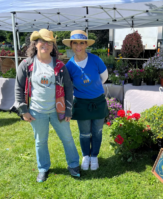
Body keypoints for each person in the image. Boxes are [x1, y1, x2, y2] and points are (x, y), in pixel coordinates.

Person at [15, 29, 80, 182]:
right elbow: (18, 87)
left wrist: (68, 110)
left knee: (68, 139)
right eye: (42, 42)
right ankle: (43, 168)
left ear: (53, 46)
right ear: (35, 44)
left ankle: (73, 165)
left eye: (49, 42)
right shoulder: (26, 64)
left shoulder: (59, 65)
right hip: (37, 111)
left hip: (59, 111)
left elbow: (69, 88)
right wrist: (23, 110)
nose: (46, 45)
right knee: (40, 141)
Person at [62, 30, 109, 171]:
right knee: (84, 133)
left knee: (97, 131)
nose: (78, 46)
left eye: (81, 43)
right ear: (71, 45)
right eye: (75, 43)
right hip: (81, 103)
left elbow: (104, 77)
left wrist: (93, 89)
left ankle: (94, 156)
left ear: (86, 44)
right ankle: (85, 156)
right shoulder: (69, 66)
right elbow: (69, 86)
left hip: (98, 101)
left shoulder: (96, 60)